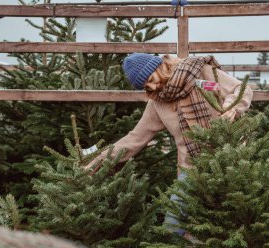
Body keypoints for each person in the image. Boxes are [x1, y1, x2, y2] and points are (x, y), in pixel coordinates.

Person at [84, 52, 253, 237]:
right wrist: (95, 163)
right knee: (173, 227)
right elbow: (134, 139)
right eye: (146, 86)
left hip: (231, 160)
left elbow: (240, 89)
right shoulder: (158, 102)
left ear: (160, 66)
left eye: (151, 79)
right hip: (192, 170)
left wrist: (232, 108)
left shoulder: (199, 73)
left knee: (229, 229)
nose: (152, 86)